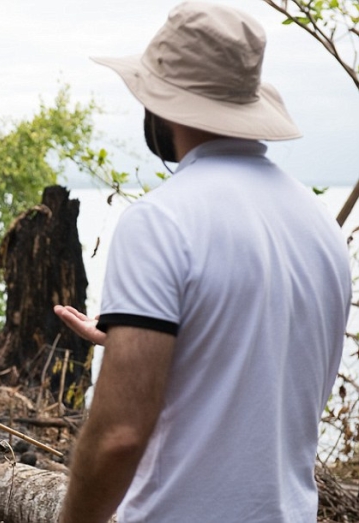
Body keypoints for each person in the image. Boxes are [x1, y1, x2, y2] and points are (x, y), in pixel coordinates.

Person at [54, 2, 351, 522]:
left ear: (162, 106)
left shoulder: (161, 221)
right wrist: (135, 337)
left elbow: (119, 436)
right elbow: (261, 358)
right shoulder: (319, 224)